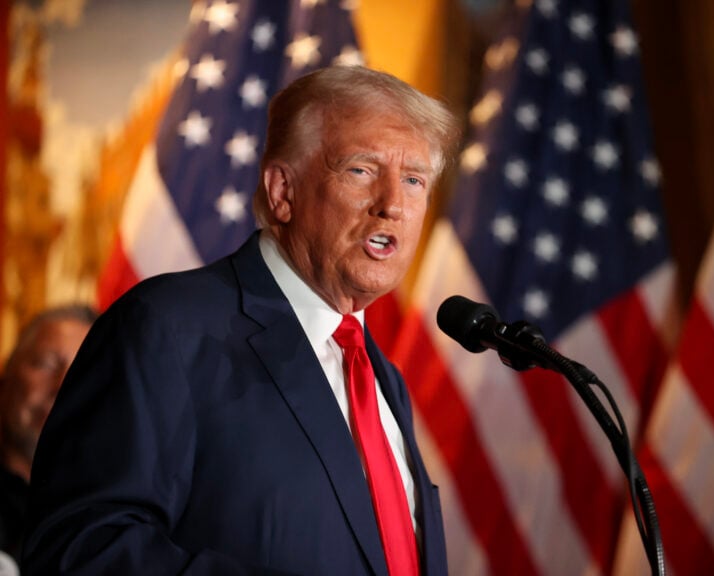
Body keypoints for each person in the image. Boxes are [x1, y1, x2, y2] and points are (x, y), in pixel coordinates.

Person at [23, 65, 460, 575]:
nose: (393, 206)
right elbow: (80, 548)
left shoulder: (383, 379)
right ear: (282, 191)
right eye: (361, 170)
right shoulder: (167, 328)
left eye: (413, 180)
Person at [0, 305, 97, 567]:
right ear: (6, 374)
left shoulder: (108, 525)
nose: (62, 386)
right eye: (46, 364)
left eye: (83, 373)